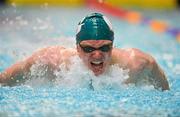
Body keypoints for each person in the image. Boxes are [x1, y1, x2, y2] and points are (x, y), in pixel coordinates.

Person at [0, 13, 169, 90]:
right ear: (77, 48)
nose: (97, 55)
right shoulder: (52, 61)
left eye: (104, 47)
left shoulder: (138, 63)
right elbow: (4, 81)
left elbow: (165, 95)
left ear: (113, 45)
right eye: (88, 48)